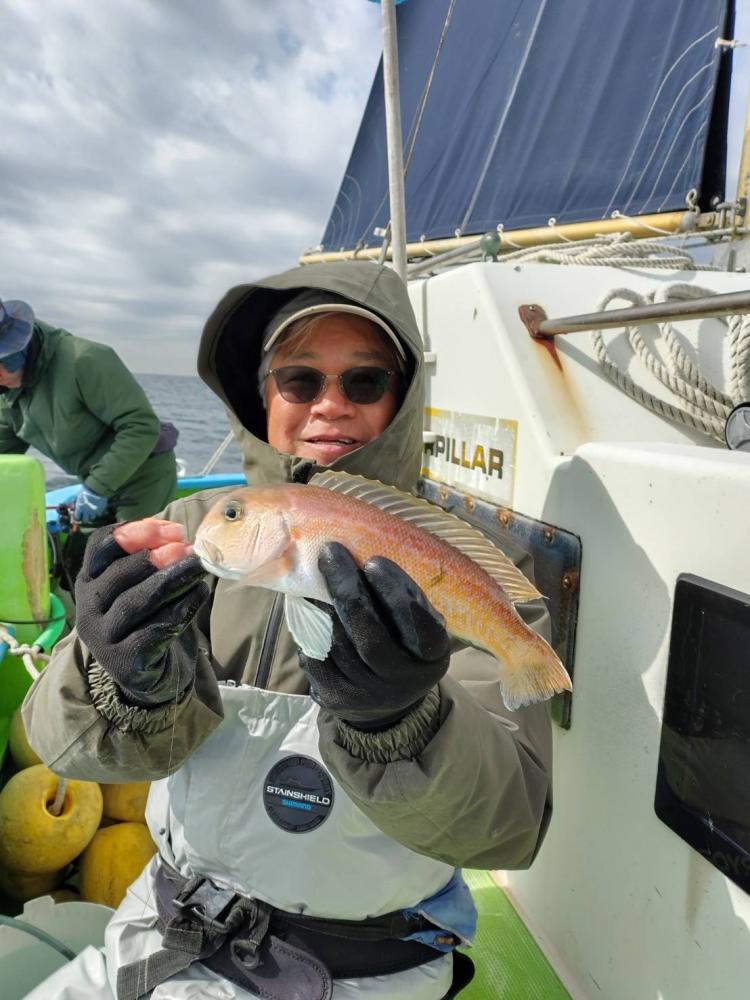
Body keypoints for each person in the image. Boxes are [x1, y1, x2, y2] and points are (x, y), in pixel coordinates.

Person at [22, 262, 554, 1000]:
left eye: (364, 381)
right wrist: (115, 676)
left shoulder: (483, 570)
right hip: (162, 930)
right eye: (300, 380)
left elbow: (509, 829)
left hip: (368, 969)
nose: (330, 405)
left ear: (402, 399)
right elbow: (61, 745)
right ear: (262, 395)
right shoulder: (185, 531)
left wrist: (403, 721)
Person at [0, 297, 178, 525]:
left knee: (134, 547)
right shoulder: (7, 391)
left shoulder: (85, 360)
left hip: (142, 477)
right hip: (94, 479)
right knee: (85, 548)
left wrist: (97, 488)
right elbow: (4, 451)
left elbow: (141, 427)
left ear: (17, 352)